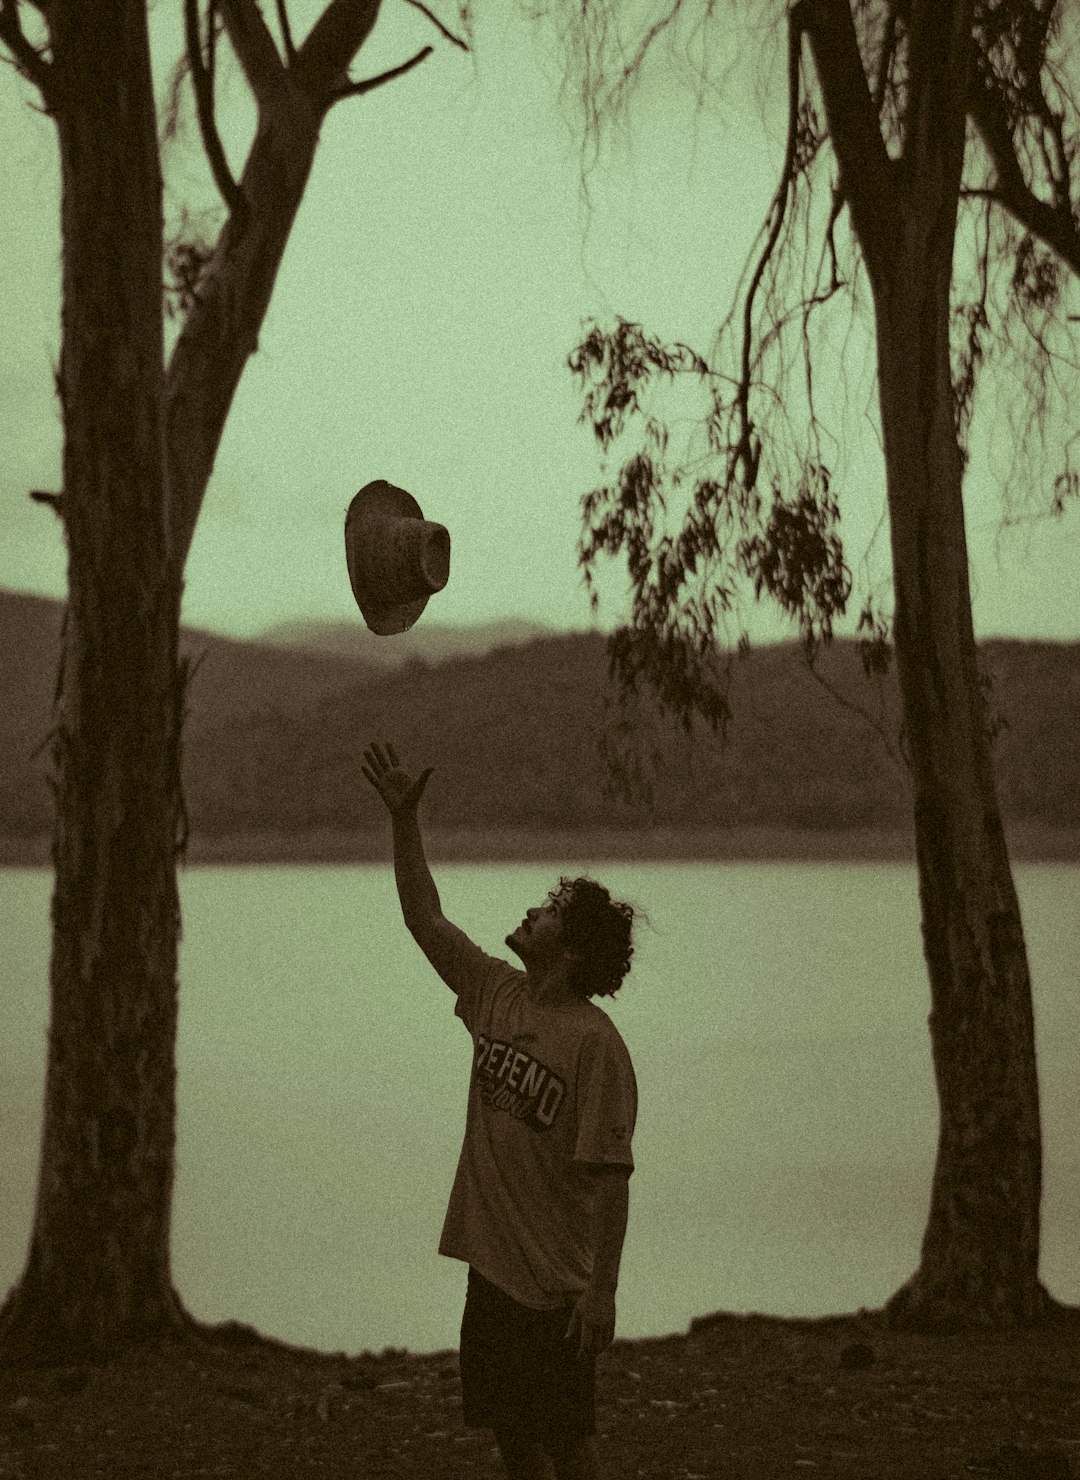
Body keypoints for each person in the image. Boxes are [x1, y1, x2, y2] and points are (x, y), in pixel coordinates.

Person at [362, 740, 639, 1480]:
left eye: (548, 912)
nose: (530, 911)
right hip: (493, 1275)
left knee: (565, 1442)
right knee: (511, 1436)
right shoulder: (494, 992)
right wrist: (403, 822)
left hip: (555, 1287)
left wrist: (604, 1291)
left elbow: (612, 1177)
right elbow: (426, 918)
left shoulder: (595, 1047)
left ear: (572, 949)